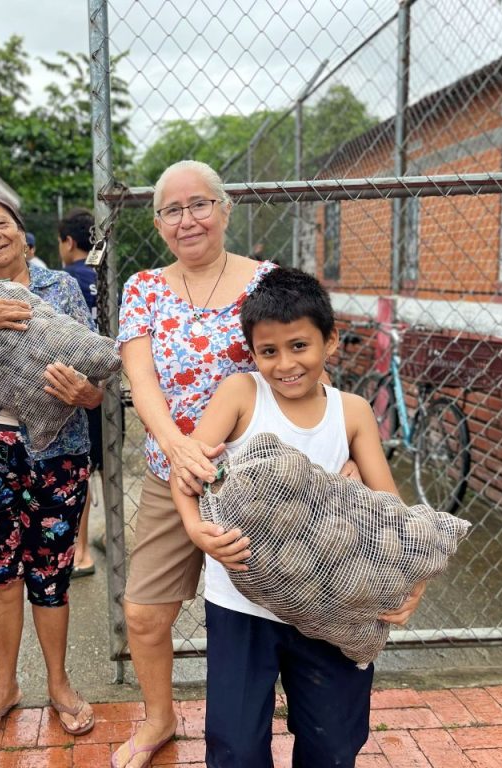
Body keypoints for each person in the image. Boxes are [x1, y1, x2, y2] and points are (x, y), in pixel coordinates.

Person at [169, 266, 425, 767]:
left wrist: (411, 579)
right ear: (252, 353)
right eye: (269, 351)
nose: (285, 364)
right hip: (243, 602)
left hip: (332, 602)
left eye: (299, 346)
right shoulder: (240, 395)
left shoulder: (352, 412)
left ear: (329, 341)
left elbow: (394, 515)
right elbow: (190, 474)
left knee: (333, 744)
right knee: (236, 747)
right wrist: (196, 528)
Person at [111, 159, 279, 768]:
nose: (188, 219)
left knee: (257, 614)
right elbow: (140, 374)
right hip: (171, 474)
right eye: (173, 210)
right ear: (158, 223)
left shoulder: (266, 281)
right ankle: (159, 718)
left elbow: (292, 369)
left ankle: (256, 722)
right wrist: (179, 446)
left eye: (200, 204)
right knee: (145, 611)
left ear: (225, 209)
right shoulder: (144, 288)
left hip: (257, 480)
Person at [0, 190, 102, 744]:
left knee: (51, 576)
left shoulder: (63, 288)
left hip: (58, 452)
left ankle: (59, 684)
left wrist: (86, 394)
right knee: (1, 575)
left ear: (22, 232)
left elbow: (95, 375)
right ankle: (4, 686)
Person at [57, 207, 100, 576]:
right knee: (104, 465)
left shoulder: (63, 282)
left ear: (69, 242)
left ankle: (81, 550)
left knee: (80, 470)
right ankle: (105, 537)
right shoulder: (108, 277)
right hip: (110, 382)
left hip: (75, 386)